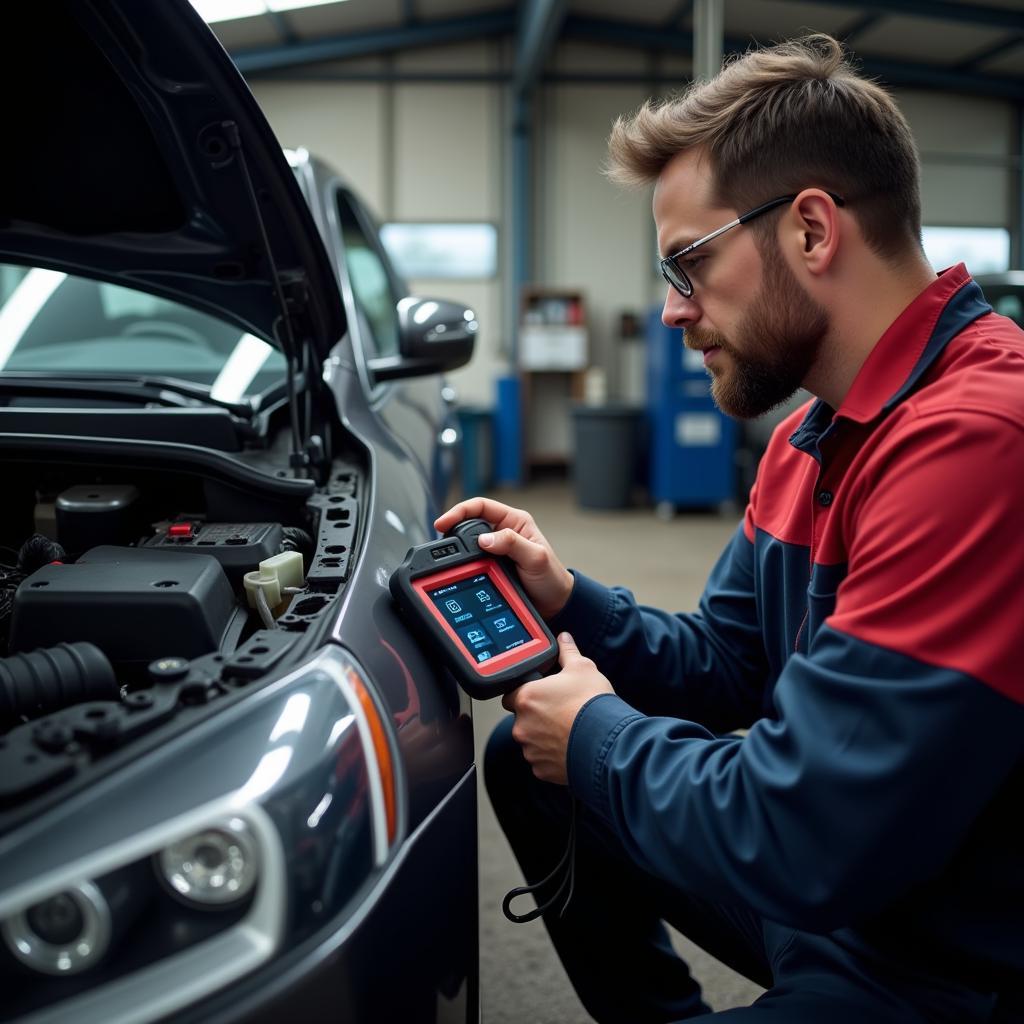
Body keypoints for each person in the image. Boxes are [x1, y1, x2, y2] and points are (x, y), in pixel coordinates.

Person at [437, 33, 1024, 1024]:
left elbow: (801, 830)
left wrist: (597, 736)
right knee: (531, 770)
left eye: (688, 265)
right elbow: (726, 662)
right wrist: (567, 597)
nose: (672, 312)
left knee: (580, 753)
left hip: (948, 962)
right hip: (853, 906)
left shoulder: (979, 443)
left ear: (809, 231)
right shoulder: (810, 438)